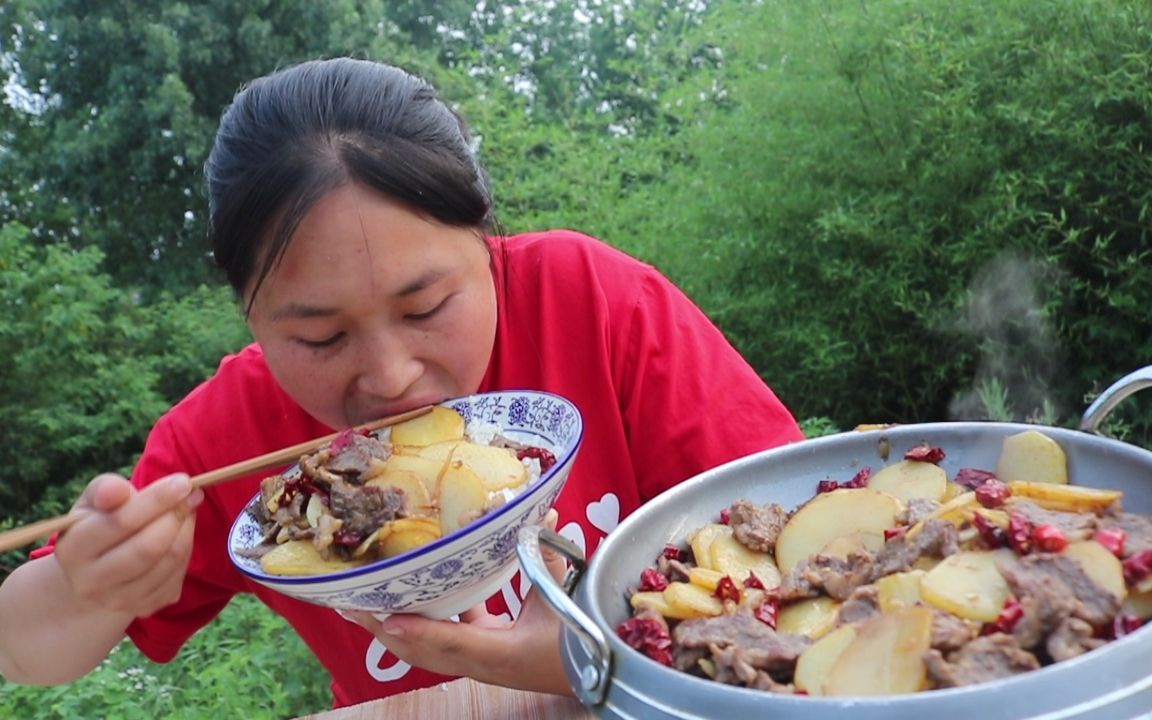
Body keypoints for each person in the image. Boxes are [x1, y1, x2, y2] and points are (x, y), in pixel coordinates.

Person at [0, 57, 805, 708]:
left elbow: (797, 548)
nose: (390, 376)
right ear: (249, 315)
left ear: (486, 241)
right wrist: (87, 586)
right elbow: (27, 648)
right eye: (319, 335)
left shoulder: (594, 302)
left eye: (425, 307)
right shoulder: (228, 434)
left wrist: (591, 655)